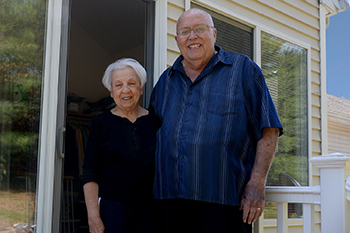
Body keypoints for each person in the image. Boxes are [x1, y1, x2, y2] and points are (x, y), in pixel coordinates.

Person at [149, 8, 283, 233]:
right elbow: (150, 135)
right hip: (168, 202)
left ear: (214, 34)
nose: (192, 37)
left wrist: (257, 182)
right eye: (185, 32)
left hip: (224, 202)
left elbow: (268, 128)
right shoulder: (165, 81)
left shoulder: (242, 70)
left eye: (199, 29)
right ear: (177, 40)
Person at [83, 58, 161, 233]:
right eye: (118, 85)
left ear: (141, 88)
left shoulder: (155, 122)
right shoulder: (100, 123)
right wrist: (93, 216)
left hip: (150, 208)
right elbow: (90, 170)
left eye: (132, 83)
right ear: (111, 92)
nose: (125, 90)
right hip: (112, 209)